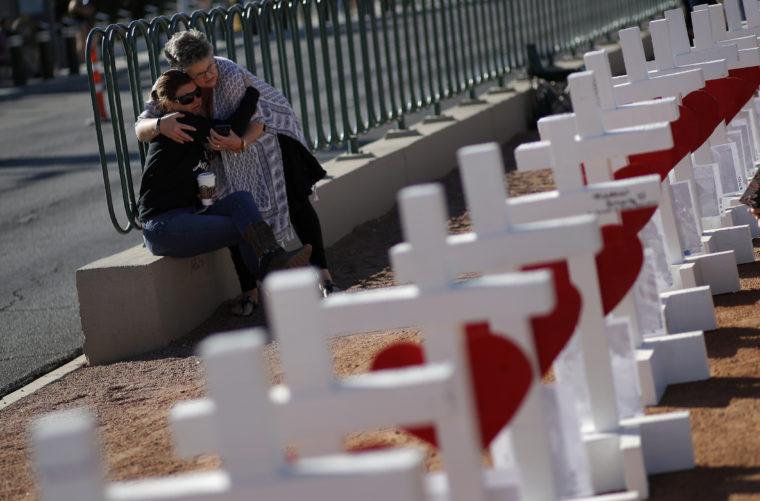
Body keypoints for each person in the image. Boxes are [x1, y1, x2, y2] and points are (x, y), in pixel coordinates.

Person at [134, 29, 339, 298]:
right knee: (237, 213)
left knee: (291, 200)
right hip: (194, 177)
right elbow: (142, 126)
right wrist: (161, 124)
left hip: (268, 135)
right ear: (183, 77)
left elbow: (256, 122)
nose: (209, 76)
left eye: (210, 66)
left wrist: (239, 143)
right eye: (199, 75)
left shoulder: (227, 75)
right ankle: (258, 287)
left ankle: (318, 276)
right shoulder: (175, 97)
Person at [137, 69, 312, 316]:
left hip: (188, 214)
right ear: (170, 105)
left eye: (197, 94)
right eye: (187, 99)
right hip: (162, 226)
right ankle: (276, 273)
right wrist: (252, 94)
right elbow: (232, 128)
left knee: (241, 201)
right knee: (246, 228)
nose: (196, 101)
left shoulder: (192, 126)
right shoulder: (180, 121)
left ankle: (273, 266)